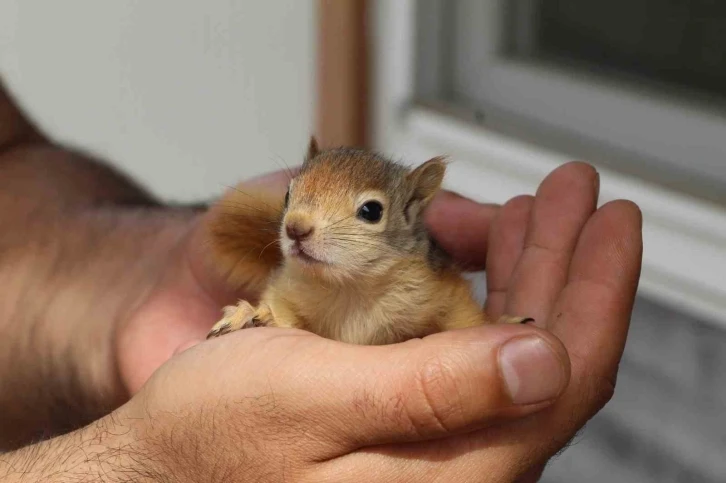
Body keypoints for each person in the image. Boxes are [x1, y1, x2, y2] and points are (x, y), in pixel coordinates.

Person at [0, 78, 642, 482]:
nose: (299, 228)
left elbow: (12, 164)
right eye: (296, 205)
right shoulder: (299, 280)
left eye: (365, 212)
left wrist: (136, 290)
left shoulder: (414, 279)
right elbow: (285, 302)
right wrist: (144, 467)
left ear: (409, 213)